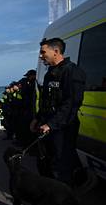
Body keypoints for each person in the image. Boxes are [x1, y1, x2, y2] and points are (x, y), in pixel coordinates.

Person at [31, 38, 86, 186]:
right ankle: (49, 194)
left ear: (56, 52)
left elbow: (71, 104)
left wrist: (51, 124)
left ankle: (61, 201)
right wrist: (37, 119)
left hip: (63, 128)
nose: (40, 56)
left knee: (61, 167)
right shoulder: (50, 73)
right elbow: (45, 101)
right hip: (48, 126)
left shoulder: (72, 72)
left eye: (43, 52)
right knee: (45, 162)